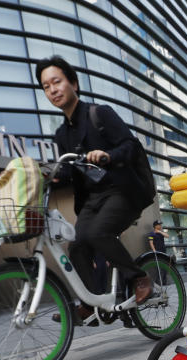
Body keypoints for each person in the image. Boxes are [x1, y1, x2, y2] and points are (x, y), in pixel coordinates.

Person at [35, 55, 152, 324]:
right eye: (46, 86)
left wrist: (107, 156)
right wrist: (51, 176)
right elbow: (69, 172)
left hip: (122, 191)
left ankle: (139, 277)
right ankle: (93, 301)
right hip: (93, 199)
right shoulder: (61, 135)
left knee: (98, 233)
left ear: (73, 83)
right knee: (76, 246)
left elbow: (130, 146)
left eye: (57, 82)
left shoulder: (100, 113)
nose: (52, 90)